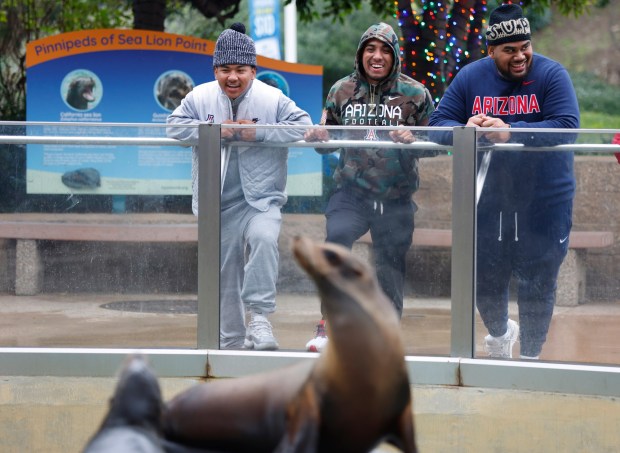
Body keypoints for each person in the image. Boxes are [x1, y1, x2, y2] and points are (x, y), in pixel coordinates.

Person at [429, 3, 580, 359]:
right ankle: (499, 332)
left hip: (546, 200)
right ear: (490, 50)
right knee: (484, 280)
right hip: (488, 200)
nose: (520, 56)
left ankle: (529, 357)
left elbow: (567, 127)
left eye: (524, 46)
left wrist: (511, 131)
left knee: (538, 283)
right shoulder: (470, 77)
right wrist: (465, 131)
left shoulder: (552, 75)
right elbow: (437, 124)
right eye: (509, 50)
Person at [167, 23, 312, 350]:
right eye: (225, 69)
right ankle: (230, 342)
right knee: (224, 275)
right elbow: (174, 127)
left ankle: (260, 320)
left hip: (262, 200)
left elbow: (303, 126)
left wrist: (255, 133)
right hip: (216, 204)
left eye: (241, 70)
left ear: (253, 70)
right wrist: (216, 130)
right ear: (215, 70)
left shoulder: (272, 98)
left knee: (263, 239)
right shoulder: (199, 96)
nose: (232, 77)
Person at [304, 22, 436, 352]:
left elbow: (439, 142)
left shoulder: (416, 94)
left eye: (385, 51)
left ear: (395, 57)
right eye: (370, 49)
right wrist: (318, 137)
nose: (377, 56)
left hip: (395, 196)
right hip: (351, 192)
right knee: (336, 244)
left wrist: (415, 138)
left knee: (390, 263)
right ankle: (330, 326)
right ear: (361, 53)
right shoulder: (341, 91)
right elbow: (325, 143)